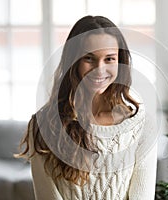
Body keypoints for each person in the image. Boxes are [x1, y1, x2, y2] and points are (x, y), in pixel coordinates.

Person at [16, 15, 157, 200]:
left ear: (120, 62)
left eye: (109, 59)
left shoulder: (142, 124)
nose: (99, 69)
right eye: (89, 58)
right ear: (73, 61)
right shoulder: (43, 124)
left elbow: (142, 196)